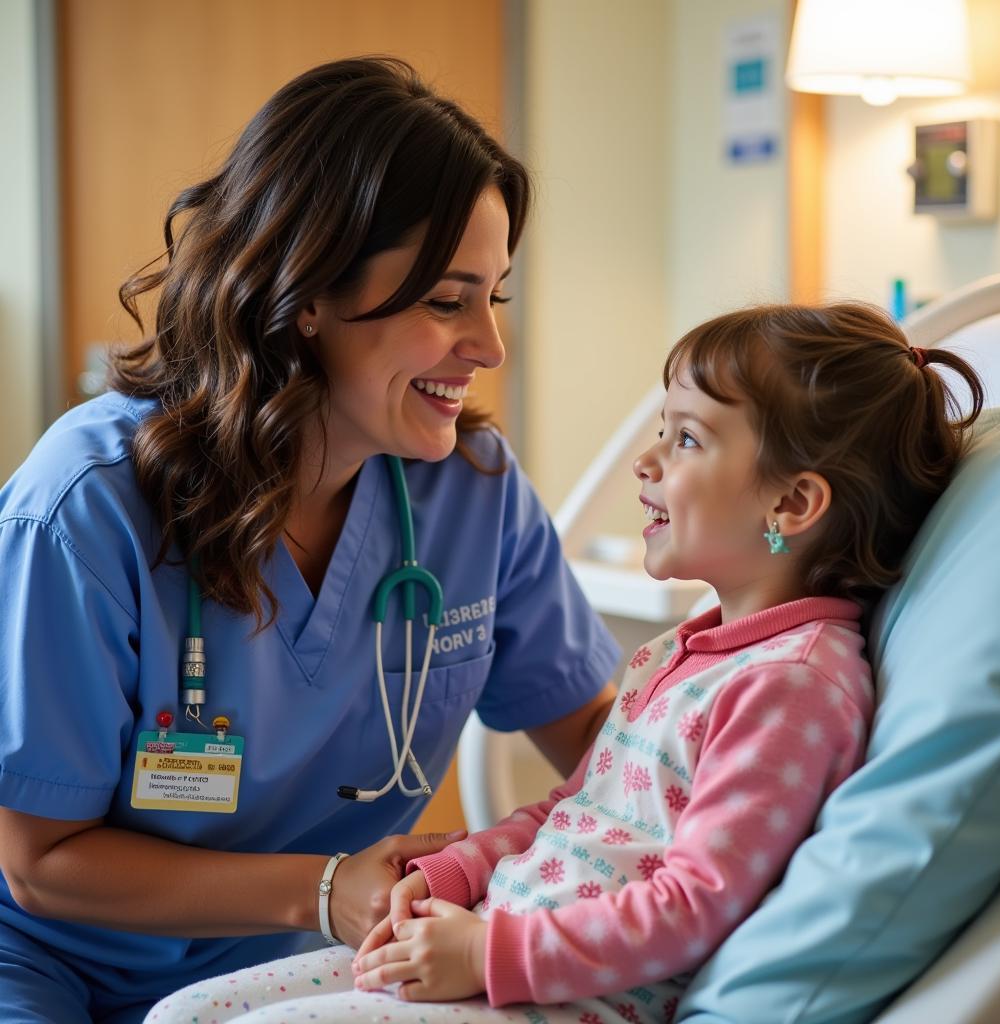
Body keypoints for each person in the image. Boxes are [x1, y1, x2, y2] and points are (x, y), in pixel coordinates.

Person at [142, 301, 984, 1024]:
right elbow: (574, 807)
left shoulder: (791, 686)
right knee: (182, 1013)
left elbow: (694, 905)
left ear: (792, 503)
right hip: (495, 940)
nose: (646, 462)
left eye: (686, 439)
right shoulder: (688, 649)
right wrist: (456, 869)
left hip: (568, 995)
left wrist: (491, 954)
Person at [0, 58, 622, 1023]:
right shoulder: (83, 510)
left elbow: (606, 742)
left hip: (293, 971)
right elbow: (39, 862)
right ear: (305, 293)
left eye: (496, 298)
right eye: (447, 301)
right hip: (47, 965)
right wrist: (324, 889)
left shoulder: (472, 496)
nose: (491, 348)